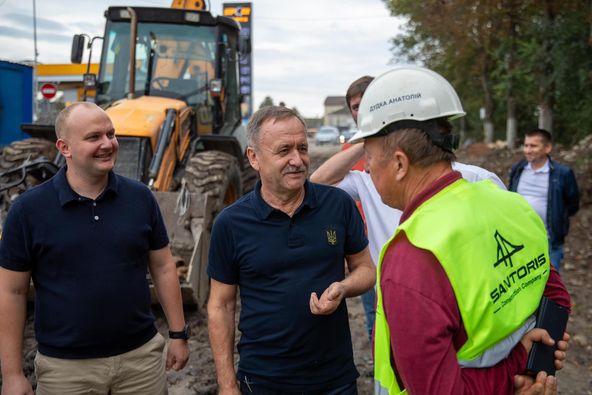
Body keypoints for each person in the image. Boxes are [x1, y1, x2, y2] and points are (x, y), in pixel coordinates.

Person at [348, 66, 571, 394]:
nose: (366, 168)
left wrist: (517, 367)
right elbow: (556, 297)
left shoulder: (413, 255)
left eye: (368, 156)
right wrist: (534, 367)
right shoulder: (510, 206)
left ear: (399, 163)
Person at [0, 102, 189, 395]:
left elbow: (163, 267)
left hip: (140, 363)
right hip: (66, 371)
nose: (108, 144)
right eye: (94, 137)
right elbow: (11, 292)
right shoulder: (28, 210)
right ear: (65, 148)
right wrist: (11, 374)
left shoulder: (140, 198)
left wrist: (178, 333)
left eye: (110, 134)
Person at [311, 75, 507, 343]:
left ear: (401, 162)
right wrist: (368, 140)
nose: (368, 167)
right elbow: (317, 183)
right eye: (357, 107)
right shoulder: (367, 180)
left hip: (461, 305)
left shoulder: (478, 180)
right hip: (390, 294)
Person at [207, 105, 375, 394]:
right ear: (253, 157)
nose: (297, 160)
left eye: (303, 148)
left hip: (334, 379)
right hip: (264, 379)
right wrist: (226, 383)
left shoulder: (337, 205)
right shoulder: (231, 223)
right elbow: (220, 305)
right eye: (284, 151)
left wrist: (342, 287)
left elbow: (366, 269)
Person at [508, 129, 580, 271]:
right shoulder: (518, 169)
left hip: (549, 240)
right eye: (526, 145)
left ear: (547, 148)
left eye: (533, 146)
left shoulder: (562, 173)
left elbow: (573, 204)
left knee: (551, 286)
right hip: (520, 239)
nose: (528, 150)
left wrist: (560, 217)